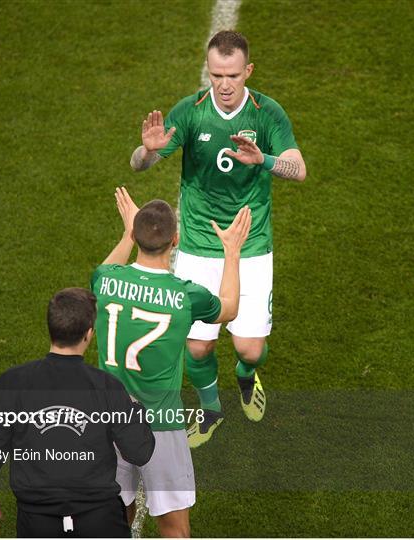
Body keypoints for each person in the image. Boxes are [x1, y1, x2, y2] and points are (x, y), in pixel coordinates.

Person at [130, 30, 307, 447]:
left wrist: (262, 159)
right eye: (216, 75)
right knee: (196, 348)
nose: (224, 85)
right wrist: (147, 151)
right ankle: (210, 411)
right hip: (197, 247)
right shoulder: (190, 112)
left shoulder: (268, 113)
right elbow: (140, 165)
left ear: (248, 70)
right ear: (209, 72)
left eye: (232, 75)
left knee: (248, 349)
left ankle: (246, 378)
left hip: (250, 245)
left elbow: (299, 170)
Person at [91, 187, 250, 537]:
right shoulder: (186, 295)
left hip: (108, 421)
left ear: (137, 236)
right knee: (175, 529)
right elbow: (229, 307)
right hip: (160, 425)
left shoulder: (105, 281)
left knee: (115, 515)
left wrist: (126, 234)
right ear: (175, 239)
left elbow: (105, 268)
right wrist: (233, 251)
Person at [0, 287, 155, 538]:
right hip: (101, 520)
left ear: (51, 328)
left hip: (37, 522)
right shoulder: (107, 387)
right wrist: (135, 408)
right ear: (89, 334)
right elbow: (139, 451)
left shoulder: (12, 382)